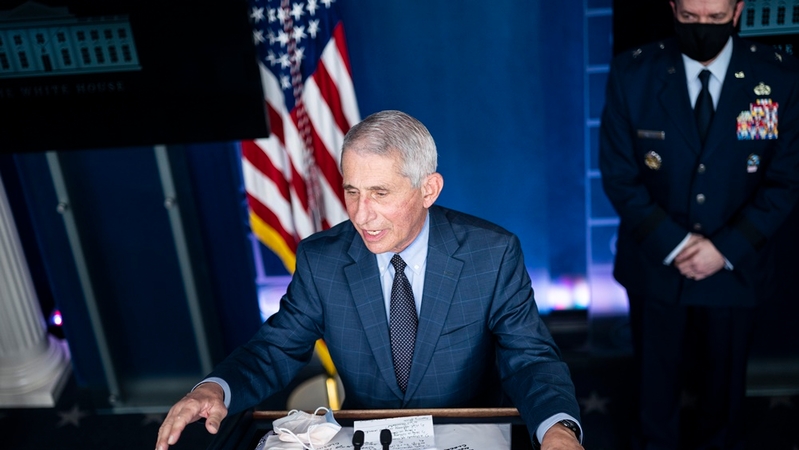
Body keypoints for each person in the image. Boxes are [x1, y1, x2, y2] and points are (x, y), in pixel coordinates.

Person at [156, 110, 584, 450]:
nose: (361, 215)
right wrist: (214, 388)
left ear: (428, 190)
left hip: (468, 433)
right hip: (368, 435)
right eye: (352, 191)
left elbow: (529, 359)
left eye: (380, 193)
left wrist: (557, 429)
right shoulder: (321, 259)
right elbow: (275, 349)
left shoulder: (492, 253)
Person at [599, 1, 799, 449]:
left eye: (713, 18)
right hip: (656, 264)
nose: (701, 28)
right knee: (654, 393)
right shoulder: (635, 73)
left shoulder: (781, 75)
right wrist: (677, 244)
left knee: (724, 400)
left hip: (736, 267)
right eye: (690, 18)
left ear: (737, 11)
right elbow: (619, 175)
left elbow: (786, 180)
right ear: (671, 8)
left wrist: (724, 249)